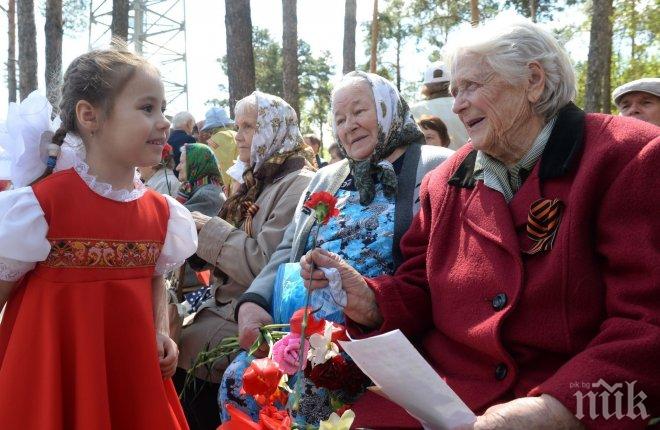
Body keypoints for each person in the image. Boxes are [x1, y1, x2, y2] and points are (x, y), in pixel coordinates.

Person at [300, 16, 660, 430]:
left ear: (533, 81)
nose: (455, 105)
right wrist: (371, 300)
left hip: (568, 403)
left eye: (471, 87)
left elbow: (646, 322)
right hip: (446, 401)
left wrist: (559, 408)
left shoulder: (629, 156)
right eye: (454, 92)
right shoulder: (445, 181)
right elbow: (422, 286)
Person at [226, 71, 454, 424]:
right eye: (340, 119)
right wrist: (254, 301)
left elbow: (438, 265)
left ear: (387, 110)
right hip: (304, 328)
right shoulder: (326, 177)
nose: (349, 126)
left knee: (312, 402)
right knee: (237, 381)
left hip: (377, 332)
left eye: (360, 112)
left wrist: (369, 302)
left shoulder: (435, 165)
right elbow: (287, 248)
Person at [0, 49, 198, 429]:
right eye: (146, 108)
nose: (163, 122)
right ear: (89, 115)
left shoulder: (162, 214)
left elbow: (154, 277)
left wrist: (159, 333)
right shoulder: (41, 208)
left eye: (163, 108)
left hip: (131, 380)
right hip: (48, 385)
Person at [174, 91, 316, 430]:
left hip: (255, 310)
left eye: (249, 126)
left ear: (276, 130)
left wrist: (207, 229)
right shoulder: (256, 180)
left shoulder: (298, 184)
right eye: (238, 126)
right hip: (224, 304)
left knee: (185, 347)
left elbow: (264, 267)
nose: (238, 136)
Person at [411, 61, 469, 149]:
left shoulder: (413, 111)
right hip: (469, 161)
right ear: (452, 83)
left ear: (426, 86)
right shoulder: (467, 105)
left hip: (433, 162)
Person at [175, 143, 226, 216]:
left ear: (194, 165)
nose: (177, 168)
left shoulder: (207, 195)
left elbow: (177, 217)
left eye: (181, 162)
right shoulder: (192, 188)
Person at [201, 107, 239, 193]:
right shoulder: (237, 135)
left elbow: (214, 164)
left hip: (223, 187)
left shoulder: (212, 141)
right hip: (239, 180)